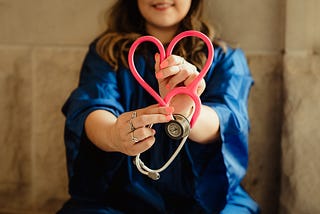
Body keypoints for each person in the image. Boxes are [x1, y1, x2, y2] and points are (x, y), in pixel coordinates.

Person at [58, 0, 260, 213]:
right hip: (120, 198)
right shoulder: (106, 53)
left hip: (209, 198)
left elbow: (228, 118)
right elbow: (91, 106)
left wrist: (186, 113)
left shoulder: (225, 58)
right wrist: (114, 135)